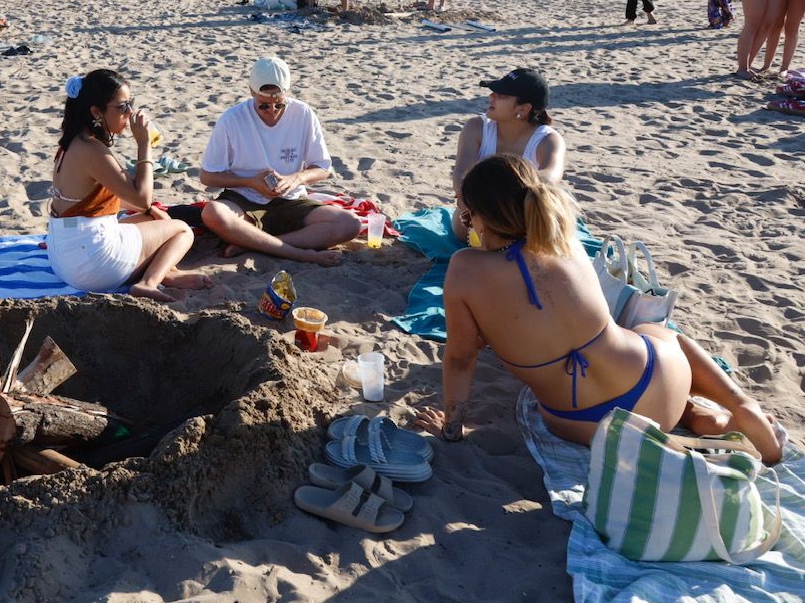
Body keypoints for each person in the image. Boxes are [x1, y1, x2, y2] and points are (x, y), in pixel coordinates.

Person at [415, 155, 782, 466]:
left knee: (643, 340)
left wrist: (452, 429)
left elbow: (461, 358)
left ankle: (698, 414)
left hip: (586, 427)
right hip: (656, 386)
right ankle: (733, 405)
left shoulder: (464, 269)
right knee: (660, 334)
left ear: (477, 218)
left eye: (466, 216)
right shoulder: (564, 240)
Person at [46, 69, 210, 303]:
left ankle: (168, 273)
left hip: (63, 258)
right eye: (122, 107)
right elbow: (141, 198)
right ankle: (148, 282)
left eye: (130, 104)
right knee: (182, 229)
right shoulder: (93, 150)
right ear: (96, 112)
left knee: (154, 218)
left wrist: (147, 209)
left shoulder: (70, 144)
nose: (129, 112)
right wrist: (144, 145)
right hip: (93, 267)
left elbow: (91, 197)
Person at [198, 57, 361, 266]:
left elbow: (321, 168)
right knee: (213, 213)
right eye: (264, 105)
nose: (272, 110)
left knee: (349, 224)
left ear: (287, 93)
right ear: (251, 92)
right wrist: (250, 182)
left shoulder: (303, 113)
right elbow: (207, 176)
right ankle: (298, 253)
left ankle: (255, 243)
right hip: (244, 199)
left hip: (290, 199)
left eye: (279, 104)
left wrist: (295, 178)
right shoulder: (231, 119)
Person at [450, 68, 566, 242]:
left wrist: (500, 189)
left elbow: (551, 177)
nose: (491, 97)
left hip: (520, 215)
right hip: (481, 213)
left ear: (524, 108)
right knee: (464, 223)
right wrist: (465, 199)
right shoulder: (476, 127)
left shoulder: (548, 139)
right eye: (493, 93)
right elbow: (461, 172)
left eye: (501, 95)